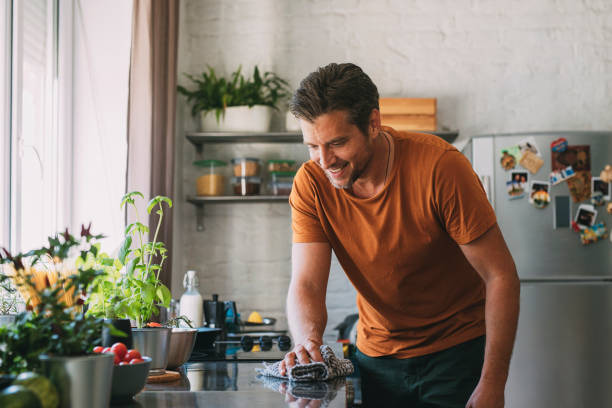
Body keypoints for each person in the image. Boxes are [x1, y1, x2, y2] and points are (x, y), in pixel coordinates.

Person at [280, 63, 520, 408]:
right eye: (312, 146)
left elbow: (501, 275)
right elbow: (307, 283)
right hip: (375, 359)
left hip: (456, 355)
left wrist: (493, 383)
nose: (325, 160)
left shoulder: (440, 167)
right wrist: (308, 343)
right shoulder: (311, 183)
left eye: (337, 143)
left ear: (373, 124)